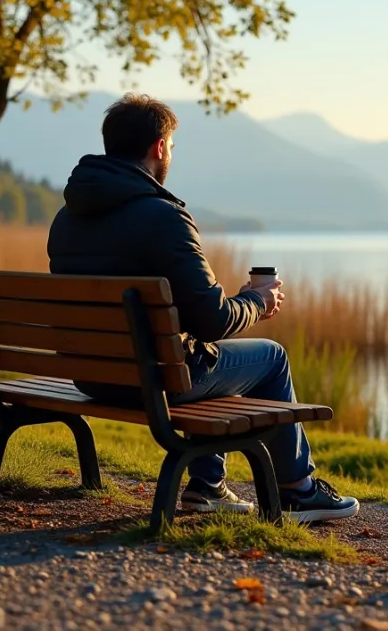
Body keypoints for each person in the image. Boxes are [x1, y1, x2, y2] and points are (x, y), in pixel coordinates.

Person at [46, 92, 359, 523]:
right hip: (155, 380)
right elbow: (212, 321)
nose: (171, 153)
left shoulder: (67, 217)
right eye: (171, 145)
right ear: (158, 147)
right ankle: (297, 491)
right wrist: (257, 300)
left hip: (95, 376)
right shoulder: (163, 216)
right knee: (269, 356)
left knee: (191, 352)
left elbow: (193, 317)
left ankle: (209, 485)